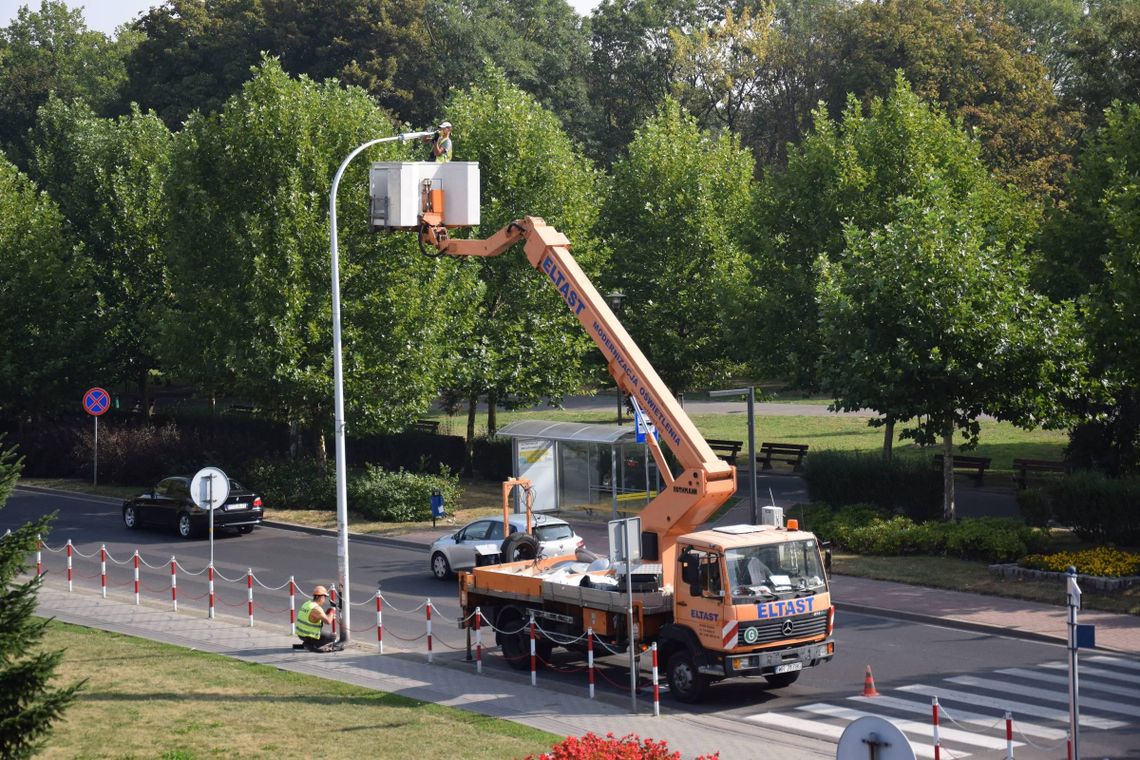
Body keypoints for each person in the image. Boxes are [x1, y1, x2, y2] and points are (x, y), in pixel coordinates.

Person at [294, 585, 341, 652]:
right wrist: (333, 609)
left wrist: (330, 610)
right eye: (324, 597)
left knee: (323, 634)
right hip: (309, 635)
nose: (324, 600)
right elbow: (328, 621)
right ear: (320, 597)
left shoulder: (307, 604)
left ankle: (307, 644)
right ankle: (311, 645)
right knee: (332, 637)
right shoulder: (317, 609)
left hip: (301, 634)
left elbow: (321, 616)